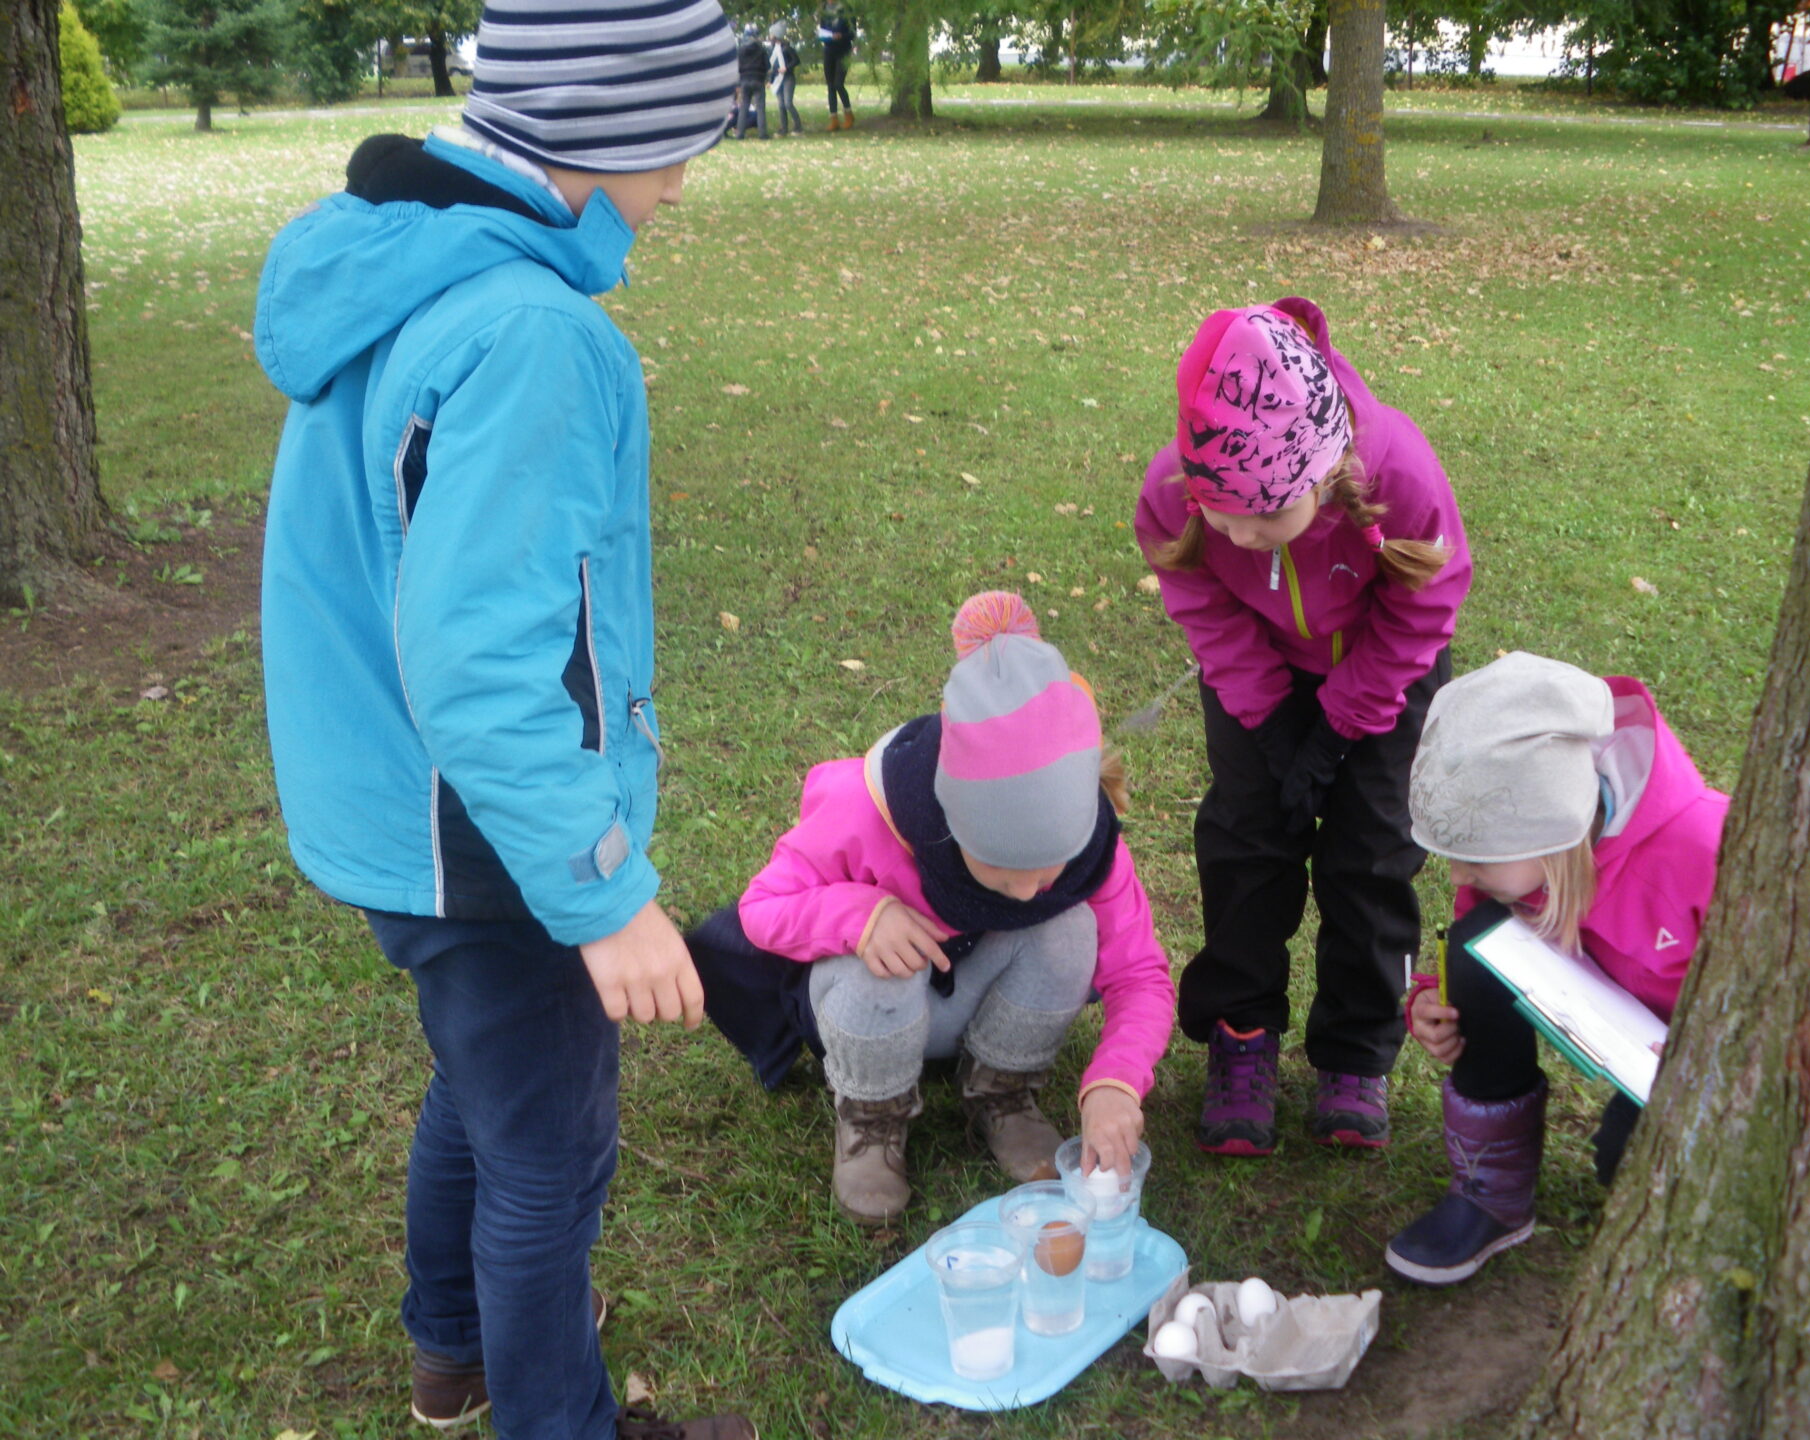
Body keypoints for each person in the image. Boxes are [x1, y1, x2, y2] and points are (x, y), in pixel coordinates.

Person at [251, 1, 752, 1435]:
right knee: (551, 1160)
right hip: (487, 844)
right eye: (680, 149)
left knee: (480, 1088)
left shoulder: (403, 259)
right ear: (608, 137)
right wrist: (602, 895)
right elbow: (476, 661)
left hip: (395, 817)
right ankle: (556, 1413)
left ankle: (454, 1347)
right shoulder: (532, 332)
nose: (683, 187)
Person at [686, 593, 1175, 1225]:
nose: (1029, 891)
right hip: (868, 1005)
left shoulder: (1093, 847)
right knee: (881, 961)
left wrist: (1116, 1080)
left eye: (1048, 870)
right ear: (950, 821)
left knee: (1069, 926)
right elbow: (762, 910)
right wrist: (860, 915)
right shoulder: (874, 812)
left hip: (966, 1001)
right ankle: (871, 1118)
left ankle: (1003, 1089)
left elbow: (1140, 974)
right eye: (1002, 870)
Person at [1134, 298, 1471, 1157]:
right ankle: (1241, 1035)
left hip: (1382, 676)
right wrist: (1276, 719)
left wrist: (1340, 724)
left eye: (1264, 520)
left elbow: (1422, 605)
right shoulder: (1176, 492)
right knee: (1247, 841)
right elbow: (1205, 603)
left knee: (1374, 852)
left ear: (1324, 477)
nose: (1242, 537)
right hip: (1263, 679)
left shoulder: (1397, 471)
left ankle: (1356, 1051)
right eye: (1226, 519)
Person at [1386, 652, 1729, 1285]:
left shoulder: (1706, 851)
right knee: (1477, 944)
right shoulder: (1523, 864)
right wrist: (1433, 996)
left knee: (1627, 1163)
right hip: (1603, 1011)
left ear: (1548, 835)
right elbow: (1472, 918)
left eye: (1476, 861)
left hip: (1699, 1064)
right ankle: (1493, 1193)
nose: (1461, 876)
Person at [818, 3, 855, 129]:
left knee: (838, 83)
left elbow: (853, 32)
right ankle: (834, 119)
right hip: (829, 50)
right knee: (830, 85)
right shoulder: (824, 10)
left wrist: (841, 36)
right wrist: (823, 36)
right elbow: (822, 29)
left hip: (843, 50)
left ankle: (849, 114)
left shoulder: (846, 9)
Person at [734, 24, 769, 140]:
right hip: (758, 79)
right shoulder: (761, 49)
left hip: (744, 80)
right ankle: (762, 134)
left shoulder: (740, 50)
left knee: (744, 107)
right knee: (760, 107)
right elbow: (767, 66)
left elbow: (736, 67)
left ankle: (740, 134)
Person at [768, 21, 803, 136]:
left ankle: (798, 127)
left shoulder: (787, 48)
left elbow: (796, 61)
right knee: (781, 104)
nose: (770, 37)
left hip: (788, 78)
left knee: (788, 103)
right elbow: (773, 66)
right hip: (777, 79)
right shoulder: (773, 50)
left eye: (771, 35)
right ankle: (783, 129)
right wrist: (770, 80)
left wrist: (786, 68)